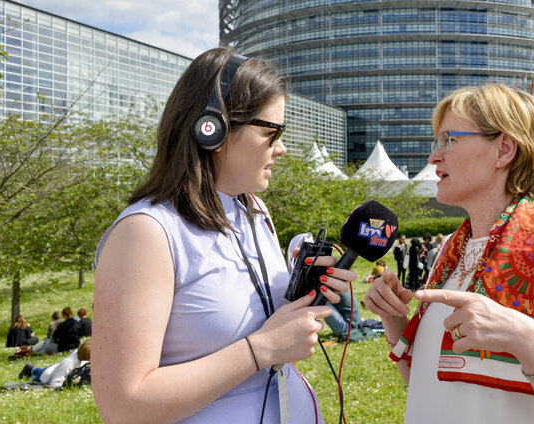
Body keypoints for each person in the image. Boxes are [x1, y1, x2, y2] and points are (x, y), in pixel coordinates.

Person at [92, 48, 357, 424]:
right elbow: (123, 405)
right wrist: (261, 349)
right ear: (211, 128)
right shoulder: (145, 233)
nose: (281, 148)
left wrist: (304, 287)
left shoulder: (254, 210)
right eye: (271, 132)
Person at [364, 84, 534, 423]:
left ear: (503, 150)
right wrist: (395, 318)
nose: (433, 157)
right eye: (436, 142)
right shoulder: (450, 251)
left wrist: (531, 342)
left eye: (449, 140)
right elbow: (429, 383)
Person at [18, 339, 91, 388]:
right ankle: (30, 368)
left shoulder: (81, 355)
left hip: (54, 369)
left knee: (42, 371)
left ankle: (31, 368)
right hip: (47, 376)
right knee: (38, 374)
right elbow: (54, 383)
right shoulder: (69, 363)